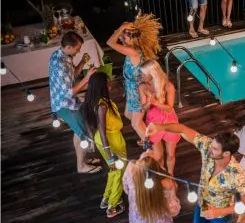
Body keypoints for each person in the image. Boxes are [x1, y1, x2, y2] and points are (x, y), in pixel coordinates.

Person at [48, 31, 100, 174]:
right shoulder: (60, 64)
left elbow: (72, 75)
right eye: (77, 48)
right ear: (69, 47)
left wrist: (82, 62)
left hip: (70, 102)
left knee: (79, 132)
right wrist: (88, 78)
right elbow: (69, 92)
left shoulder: (62, 56)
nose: (79, 51)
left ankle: (82, 160)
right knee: (83, 133)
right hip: (64, 104)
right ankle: (81, 166)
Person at [106, 14, 161, 146]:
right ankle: (148, 133)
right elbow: (116, 37)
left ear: (131, 38)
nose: (122, 39)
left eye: (124, 37)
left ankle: (152, 147)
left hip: (138, 92)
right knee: (128, 115)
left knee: (135, 123)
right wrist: (122, 28)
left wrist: (123, 27)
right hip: (132, 90)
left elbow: (109, 43)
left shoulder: (132, 51)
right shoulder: (132, 49)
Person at [80, 72, 127, 218]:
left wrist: (94, 143)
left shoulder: (94, 101)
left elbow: (90, 125)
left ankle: (106, 198)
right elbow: (101, 130)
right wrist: (109, 154)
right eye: (108, 81)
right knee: (119, 172)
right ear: (103, 85)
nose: (111, 83)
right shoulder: (102, 105)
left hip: (104, 140)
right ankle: (113, 205)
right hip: (111, 141)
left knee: (113, 171)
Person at [139, 60, 180, 175]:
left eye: (143, 73)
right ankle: (160, 176)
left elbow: (169, 108)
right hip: (153, 124)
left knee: (171, 155)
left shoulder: (168, 86)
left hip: (169, 122)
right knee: (158, 157)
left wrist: (155, 102)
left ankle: (171, 176)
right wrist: (149, 101)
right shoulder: (143, 87)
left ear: (151, 73)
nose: (141, 76)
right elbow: (144, 108)